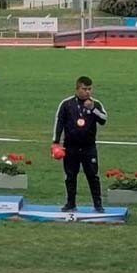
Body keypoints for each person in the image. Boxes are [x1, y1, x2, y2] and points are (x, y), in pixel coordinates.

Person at [52, 76, 108, 212]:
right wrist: (55, 142)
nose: (87, 92)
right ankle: (70, 203)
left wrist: (93, 109)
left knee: (92, 175)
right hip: (70, 147)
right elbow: (59, 122)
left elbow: (103, 119)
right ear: (77, 89)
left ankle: (98, 204)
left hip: (89, 147)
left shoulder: (96, 104)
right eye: (84, 89)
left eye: (89, 89)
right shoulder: (67, 104)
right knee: (70, 175)